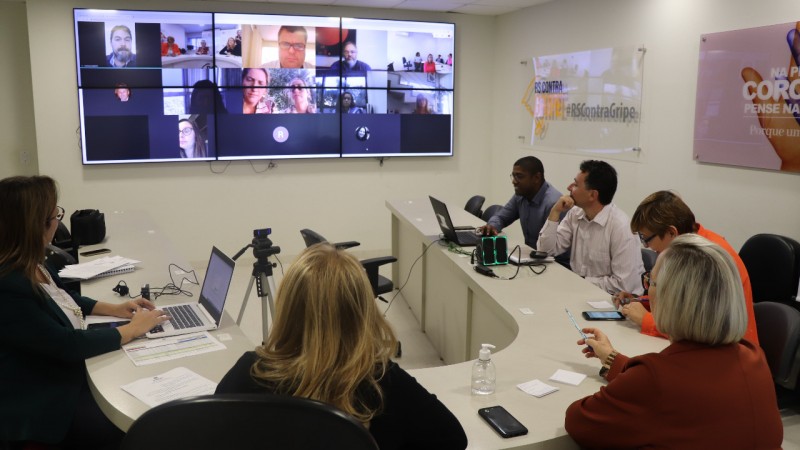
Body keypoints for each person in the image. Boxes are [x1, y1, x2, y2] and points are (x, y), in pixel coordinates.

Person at [215, 244, 468, 450]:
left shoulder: (250, 372)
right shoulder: (383, 384)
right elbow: (453, 439)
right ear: (364, 311)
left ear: (287, 308)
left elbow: (210, 432)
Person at [565, 234, 782, 449]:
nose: (647, 289)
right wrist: (612, 358)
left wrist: (633, 376)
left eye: (650, 281)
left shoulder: (654, 378)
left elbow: (579, 420)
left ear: (671, 297)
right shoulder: (753, 356)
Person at [0, 176, 167, 448]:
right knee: (132, 428)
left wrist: (115, 309)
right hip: (43, 397)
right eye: (55, 216)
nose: (58, 222)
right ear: (36, 226)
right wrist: (133, 329)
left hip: (61, 371)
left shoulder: (34, 261)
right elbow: (66, 345)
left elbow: (64, 298)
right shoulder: (8, 286)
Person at [613, 190, 759, 344]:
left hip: (728, 350)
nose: (646, 246)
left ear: (671, 233)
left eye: (646, 238)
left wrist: (646, 320)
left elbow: (699, 328)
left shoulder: (707, 259)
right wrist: (642, 301)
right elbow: (680, 302)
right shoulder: (685, 250)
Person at [536, 160, 644, 295]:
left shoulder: (621, 227)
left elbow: (623, 285)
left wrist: (579, 281)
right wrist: (555, 212)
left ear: (593, 195)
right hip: (582, 292)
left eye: (576, 185)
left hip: (614, 300)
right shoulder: (575, 213)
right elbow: (545, 250)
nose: (569, 187)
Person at [478, 156, 563, 249]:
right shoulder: (521, 195)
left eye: (519, 176)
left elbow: (558, 249)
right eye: (513, 176)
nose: (514, 181)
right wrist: (492, 226)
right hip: (531, 254)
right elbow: (501, 217)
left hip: (550, 257)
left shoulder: (554, 204)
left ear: (537, 178)